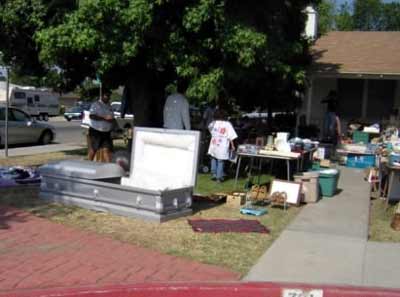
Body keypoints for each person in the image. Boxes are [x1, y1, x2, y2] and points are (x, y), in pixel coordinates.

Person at [207, 109, 238, 182]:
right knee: (221, 160)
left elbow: (209, 129)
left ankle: (214, 174)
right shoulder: (227, 124)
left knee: (213, 158)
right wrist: (233, 145)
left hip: (214, 143)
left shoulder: (213, 123)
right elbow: (231, 135)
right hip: (222, 144)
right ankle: (218, 177)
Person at [87, 90, 115, 162]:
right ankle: (89, 164)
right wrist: (104, 118)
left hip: (106, 132)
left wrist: (112, 122)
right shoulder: (96, 104)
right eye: (106, 95)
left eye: (109, 96)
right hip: (96, 131)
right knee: (93, 149)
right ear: (102, 96)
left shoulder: (109, 106)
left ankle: (109, 167)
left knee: (106, 149)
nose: (108, 97)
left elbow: (112, 118)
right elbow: (92, 116)